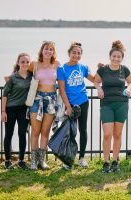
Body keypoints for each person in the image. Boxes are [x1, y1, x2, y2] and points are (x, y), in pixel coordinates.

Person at [94, 40, 131, 173]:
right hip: (106, 104)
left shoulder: (125, 69)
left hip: (122, 104)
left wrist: (129, 88)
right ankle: (106, 162)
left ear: (122, 58)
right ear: (110, 57)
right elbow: (96, 81)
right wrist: (99, 88)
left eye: (119, 57)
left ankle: (115, 161)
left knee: (117, 134)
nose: (116, 59)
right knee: (107, 134)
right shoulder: (103, 69)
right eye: (114, 56)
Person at [57, 42, 95, 170]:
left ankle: (82, 158)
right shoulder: (62, 69)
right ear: (69, 53)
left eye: (79, 53)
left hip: (83, 102)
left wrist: (101, 69)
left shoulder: (83, 67)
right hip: (70, 104)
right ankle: (68, 160)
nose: (76, 55)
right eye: (74, 52)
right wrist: (68, 106)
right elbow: (62, 89)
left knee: (83, 130)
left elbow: (95, 80)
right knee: (71, 133)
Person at [28, 41, 60, 170]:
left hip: (51, 99)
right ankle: (33, 162)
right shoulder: (34, 65)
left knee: (45, 132)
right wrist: (11, 77)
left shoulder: (57, 65)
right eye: (46, 49)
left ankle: (42, 161)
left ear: (53, 52)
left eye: (51, 49)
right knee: (35, 131)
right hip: (37, 99)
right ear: (42, 50)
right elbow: (23, 73)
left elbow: (64, 80)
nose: (48, 51)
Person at [1, 53, 32, 169]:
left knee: (22, 134)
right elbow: (4, 95)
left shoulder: (31, 76)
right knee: (8, 134)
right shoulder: (13, 78)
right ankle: (8, 161)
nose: (25, 64)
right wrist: (3, 112)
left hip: (23, 109)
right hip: (10, 109)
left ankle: (21, 161)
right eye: (22, 62)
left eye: (27, 62)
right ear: (18, 63)